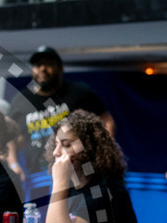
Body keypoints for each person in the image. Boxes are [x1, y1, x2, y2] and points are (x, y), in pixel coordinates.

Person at [8, 46, 114, 179]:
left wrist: (102, 153)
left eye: (48, 64)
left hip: (79, 172)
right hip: (38, 174)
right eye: (38, 64)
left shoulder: (80, 93)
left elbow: (106, 120)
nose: (42, 68)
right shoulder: (21, 100)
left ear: (60, 68)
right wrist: (13, 164)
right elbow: (10, 138)